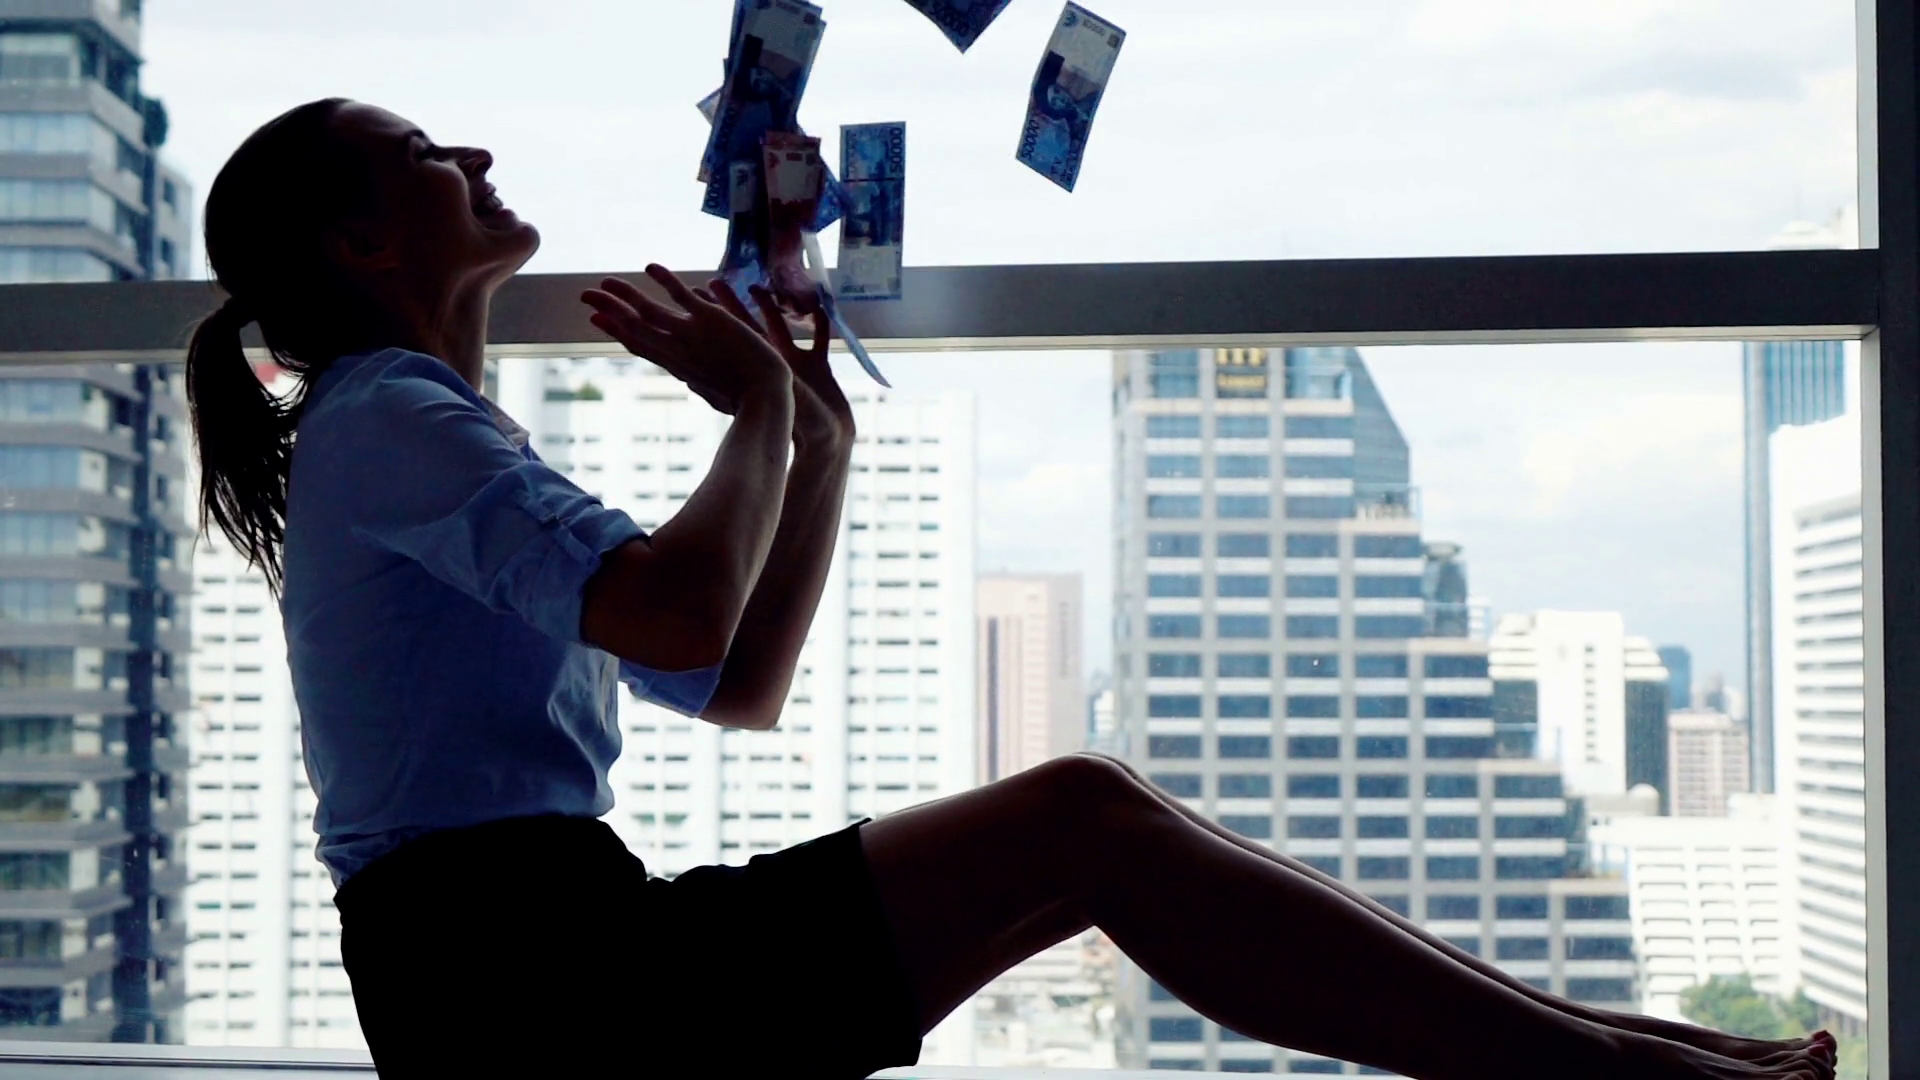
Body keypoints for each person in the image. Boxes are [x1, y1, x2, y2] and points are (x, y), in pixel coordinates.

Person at [184, 98, 1839, 1080]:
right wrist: (755, 411)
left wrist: (811, 428)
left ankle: (1630, 1058)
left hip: (539, 969)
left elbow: (731, 682)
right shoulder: (387, 418)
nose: (467, 149)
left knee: (1094, 840)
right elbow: (684, 619)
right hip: (530, 988)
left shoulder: (425, 429)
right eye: (419, 152)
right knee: (1085, 820)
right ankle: (1623, 1071)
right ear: (361, 248)